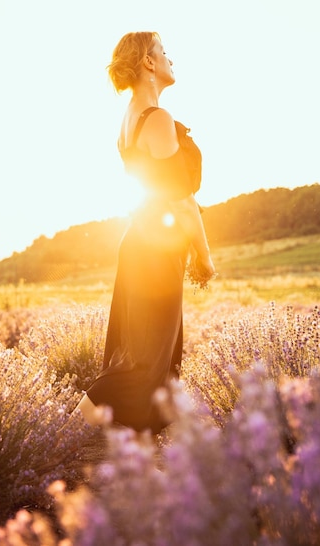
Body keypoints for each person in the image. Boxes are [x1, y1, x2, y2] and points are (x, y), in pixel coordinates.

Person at [76, 31, 215, 434]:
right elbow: (181, 200)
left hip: (144, 243)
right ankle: (72, 427)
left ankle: (148, 447)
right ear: (148, 63)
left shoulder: (132, 117)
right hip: (154, 250)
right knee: (146, 358)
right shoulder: (157, 119)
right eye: (164, 52)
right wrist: (204, 257)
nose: (172, 59)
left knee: (154, 353)